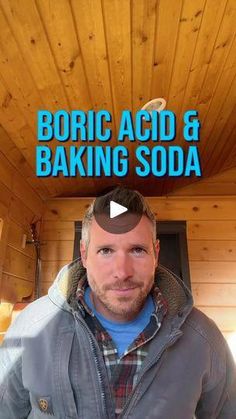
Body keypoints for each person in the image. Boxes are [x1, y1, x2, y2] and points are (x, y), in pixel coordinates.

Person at [0, 187, 235, 419]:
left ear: (156, 253)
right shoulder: (30, 326)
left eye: (137, 250)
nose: (122, 272)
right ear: (84, 255)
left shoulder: (205, 339)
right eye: (105, 250)